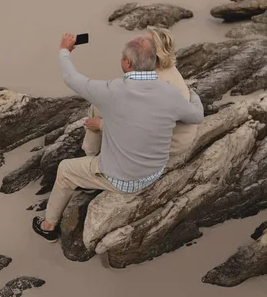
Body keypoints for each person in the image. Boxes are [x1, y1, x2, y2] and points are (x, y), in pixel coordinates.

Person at [32, 33, 204, 243]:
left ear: (127, 62)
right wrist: (193, 94)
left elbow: (71, 77)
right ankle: (90, 166)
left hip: (123, 179)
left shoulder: (111, 90)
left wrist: (64, 50)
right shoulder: (169, 92)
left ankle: (48, 226)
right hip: (154, 171)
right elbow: (196, 115)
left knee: (65, 169)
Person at [83, 27, 197, 158]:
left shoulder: (155, 85)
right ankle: (93, 151)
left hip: (169, 144)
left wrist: (101, 125)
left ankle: (90, 156)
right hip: (180, 136)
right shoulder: (165, 68)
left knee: (99, 106)